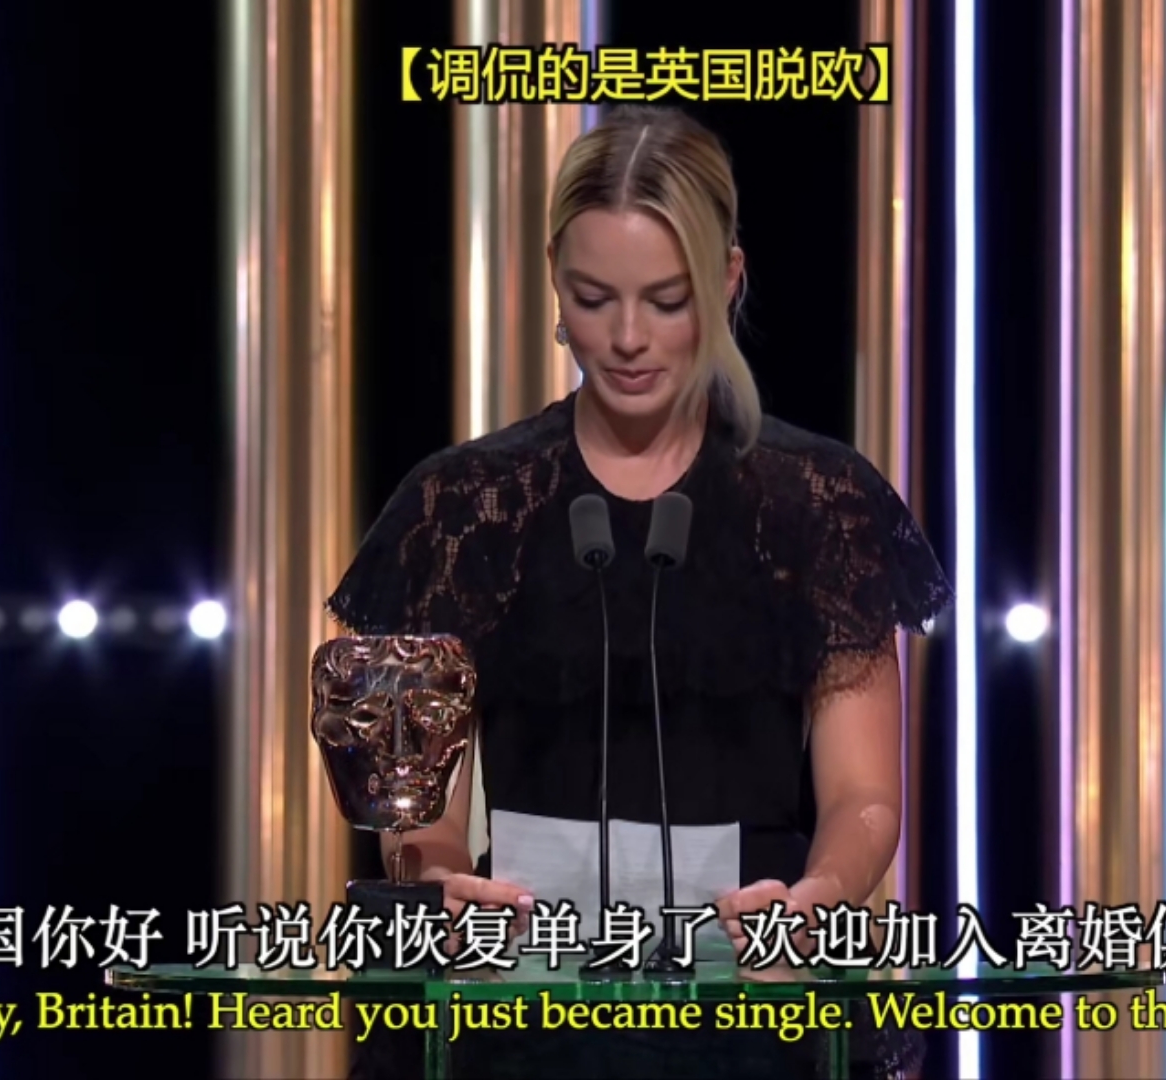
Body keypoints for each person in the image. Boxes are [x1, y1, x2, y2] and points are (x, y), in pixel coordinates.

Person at [331, 104, 950, 1080]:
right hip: (519, 1004)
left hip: (752, 991)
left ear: (728, 279)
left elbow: (864, 794)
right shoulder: (465, 505)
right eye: (595, 298)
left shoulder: (816, 504)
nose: (626, 338)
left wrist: (819, 896)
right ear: (554, 279)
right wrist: (439, 881)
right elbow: (421, 807)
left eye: (667, 300)